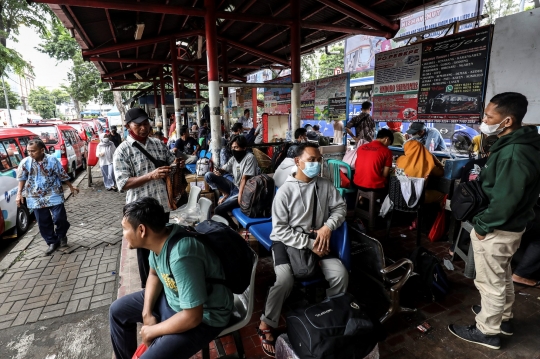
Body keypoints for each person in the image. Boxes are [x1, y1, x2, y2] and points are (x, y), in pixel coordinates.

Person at [449, 92, 540, 349]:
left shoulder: (514, 153)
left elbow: (505, 201)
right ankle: (505, 319)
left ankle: (487, 331)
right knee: (502, 276)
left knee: (490, 284)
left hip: (498, 228)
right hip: (510, 227)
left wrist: (482, 226)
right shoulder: (518, 144)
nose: (484, 120)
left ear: (508, 120)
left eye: (490, 116)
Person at [109, 197, 233, 359]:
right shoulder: (160, 236)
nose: (123, 234)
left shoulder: (182, 254)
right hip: (174, 298)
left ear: (141, 230)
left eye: (125, 229)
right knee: (117, 311)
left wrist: (151, 330)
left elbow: (193, 316)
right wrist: (147, 312)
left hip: (206, 317)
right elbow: (155, 273)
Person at [258, 143, 348, 357]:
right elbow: (279, 230)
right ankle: (265, 325)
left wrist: (328, 227)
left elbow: (340, 208)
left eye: (319, 160)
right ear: (298, 162)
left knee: (340, 274)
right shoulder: (285, 192)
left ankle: (331, 316)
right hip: (285, 242)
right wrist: (310, 244)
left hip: (317, 239)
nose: (316, 164)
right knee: (284, 280)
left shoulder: (325, 185)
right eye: (311, 160)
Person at [113, 107, 183, 288]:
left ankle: (167, 284)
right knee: (145, 252)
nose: (144, 128)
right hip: (140, 211)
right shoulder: (122, 150)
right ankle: (147, 288)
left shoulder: (158, 144)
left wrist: (177, 163)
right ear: (129, 126)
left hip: (162, 205)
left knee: (163, 247)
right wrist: (151, 176)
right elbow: (123, 183)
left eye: (146, 124)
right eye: (139, 125)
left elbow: (170, 164)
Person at [16, 139, 79, 255]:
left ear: (42, 150)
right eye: (28, 151)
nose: (30, 153)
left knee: (60, 218)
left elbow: (61, 174)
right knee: (43, 222)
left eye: (33, 151)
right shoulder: (25, 162)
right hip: (35, 196)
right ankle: (52, 242)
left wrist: (71, 186)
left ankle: (61, 235)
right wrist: (19, 193)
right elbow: (22, 178)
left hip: (53, 193)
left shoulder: (52, 160)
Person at [204, 136, 258, 230]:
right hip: (234, 187)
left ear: (244, 147)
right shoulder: (234, 159)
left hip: (245, 191)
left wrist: (240, 198)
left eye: (236, 147)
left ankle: (233, 227)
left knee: (218, 210)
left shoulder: (250, 158)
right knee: (208, 175)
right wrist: (219, 171)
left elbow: (244, 179)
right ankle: (226, 194)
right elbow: (224, 169)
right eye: (232, 148)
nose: (234, 150)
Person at [395, 140, 444, 204]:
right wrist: (435, 160)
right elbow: (441, 173)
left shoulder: (400, 160)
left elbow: (400, 177)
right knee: (441, 195)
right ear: (422, 149)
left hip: (398, 195)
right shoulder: (428, 163)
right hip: (417, 198)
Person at [353, 128, 393, 193]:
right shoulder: (387, 151)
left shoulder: (361, 147)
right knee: (389, 183)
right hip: (374, 185)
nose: (388, 145)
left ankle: (362, 198)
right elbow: (385, 174)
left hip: (357, 183)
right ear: (387, 139)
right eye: (389, 143)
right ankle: (381, 202)